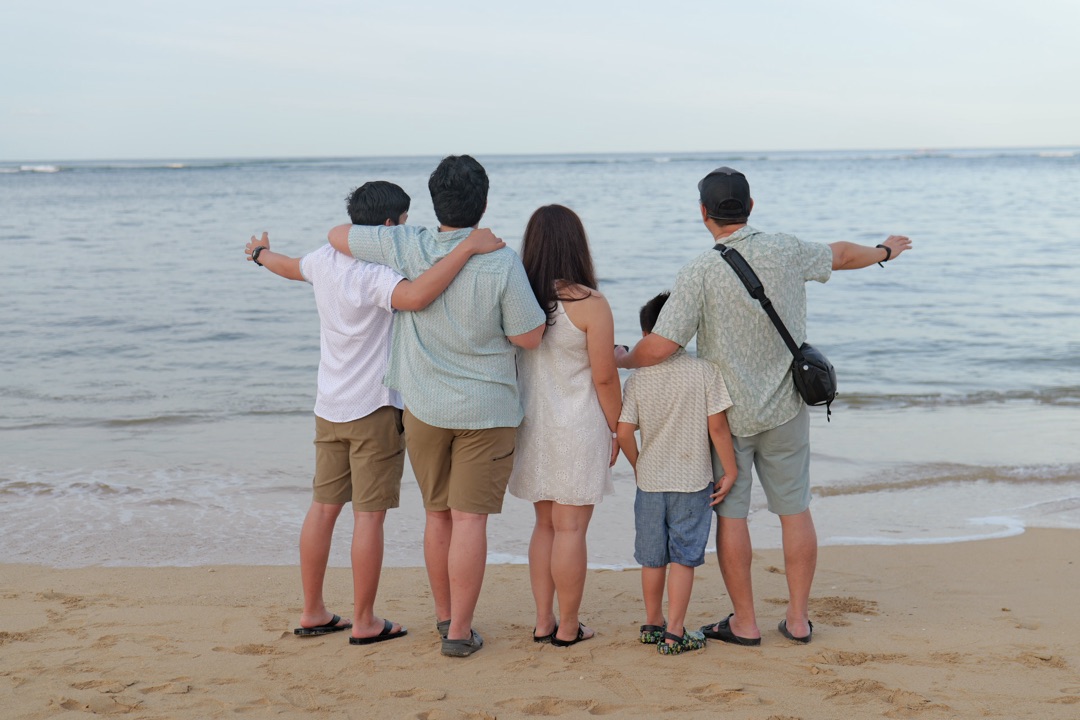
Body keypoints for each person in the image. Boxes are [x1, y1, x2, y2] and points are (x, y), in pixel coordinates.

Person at [617, 167, 911, 645]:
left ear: (703, 214)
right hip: (787, 407)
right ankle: (797, 620)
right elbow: (839, 254)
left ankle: (745, 622)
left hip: (725, 416)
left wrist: (619, 361)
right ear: (751, 207)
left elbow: (661, 346)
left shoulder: (699, 271)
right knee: (794, 511)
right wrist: (884, 251)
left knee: (732, 516)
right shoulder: (787, 249)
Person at [244, 180, 504, 645]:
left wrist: (261, 254)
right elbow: (420, 296)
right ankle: (363, 621)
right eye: (404, 223)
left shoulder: (323, 261)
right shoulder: (377, 273)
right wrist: (466, 249)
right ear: (389, 225)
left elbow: (287, 267)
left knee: (323, 509)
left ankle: (313, 611)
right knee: (369, 517)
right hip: (374, 408)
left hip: (329, 405)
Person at [327, 155, 547, 657]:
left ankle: (446, 614)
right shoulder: (500, 261)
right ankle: (457, 633)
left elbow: (339, 234)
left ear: (433, 201)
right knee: (470, 521)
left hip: (423, 409)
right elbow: (528, 337)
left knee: (438, 517)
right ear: (484, 202)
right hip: (485, 411)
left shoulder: (408, 243)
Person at [507, 205, 621, 648]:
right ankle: (569, 627)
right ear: (578, 244)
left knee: (545, 527)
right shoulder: (589, 303)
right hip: (578, 426)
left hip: (531, 425)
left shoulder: (519, 301)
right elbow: (605, 375)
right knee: (571, 529)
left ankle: (543, 621)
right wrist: (620, 427)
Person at [616, 291, 737, 655]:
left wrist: (639, 466)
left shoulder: (637, 378)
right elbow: (717, 429)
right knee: (683, 558)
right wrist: (729, 470)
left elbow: (623, 432)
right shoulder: (705, 372)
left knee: (652, 558)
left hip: (650, 484)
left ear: (645, 335)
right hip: (691, 483)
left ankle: (652, 623)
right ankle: (675, 631)